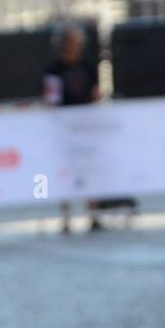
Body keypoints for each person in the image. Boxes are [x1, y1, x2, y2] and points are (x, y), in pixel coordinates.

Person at [42, 24, 113, 233]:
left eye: (78, 43)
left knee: (90, 170)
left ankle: (94, 216)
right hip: (63, 128)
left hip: (87, 127)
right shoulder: (53, 69)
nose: (76, 47)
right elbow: (50, 99)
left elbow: (95, 93)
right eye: (72, 42)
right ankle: (66, 219)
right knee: (64, 171)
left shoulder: (88, 66)